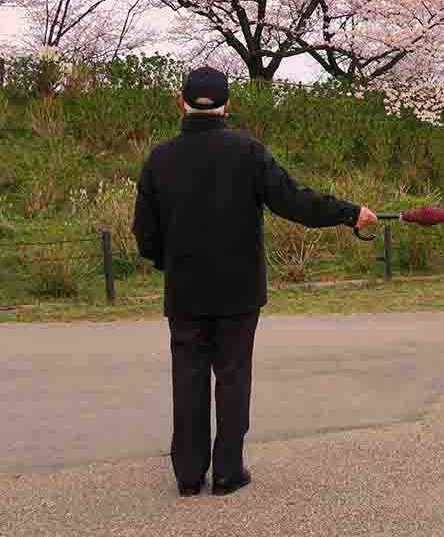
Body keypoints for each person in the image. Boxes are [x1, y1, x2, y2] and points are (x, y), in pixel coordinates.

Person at [132, 67, 378, 497]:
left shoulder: (160, 158)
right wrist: (348, 211)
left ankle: (189, 474)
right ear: (228, 105)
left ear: (181, 102)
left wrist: (168, 262)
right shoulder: (248, 151)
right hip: (239, 289)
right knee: (233, 375)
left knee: (187, 377)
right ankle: (228, 471)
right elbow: (294, 201)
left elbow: (145, 234)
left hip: (185, 289)